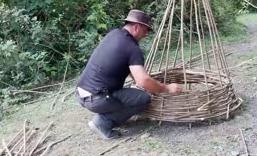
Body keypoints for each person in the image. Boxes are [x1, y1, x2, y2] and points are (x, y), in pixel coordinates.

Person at [76, 9, 182, 140]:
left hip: (82, 94)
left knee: (136, 93)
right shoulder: (132, 48)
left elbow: (127, 68)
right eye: (146, 30)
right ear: (137, 27)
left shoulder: (114, 35)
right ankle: (102, 122)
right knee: (144, 99)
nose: (146, 35)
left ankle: (110, 115)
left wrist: (143, 82)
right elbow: (143, 80)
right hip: (98, 98)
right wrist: (166, 88)